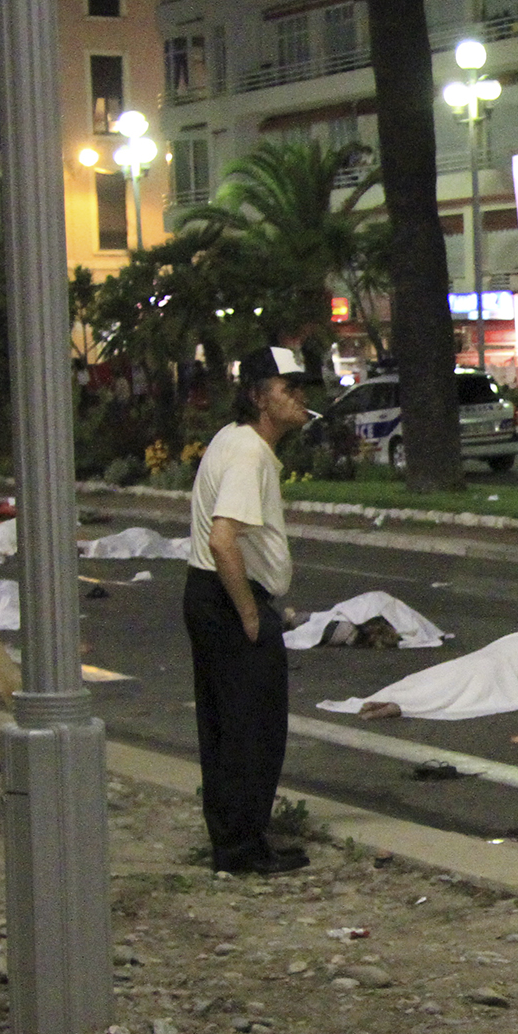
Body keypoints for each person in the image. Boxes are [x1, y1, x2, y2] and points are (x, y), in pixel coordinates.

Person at [184, 346, 314, 876]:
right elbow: (222, 541)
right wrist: (252, 615)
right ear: (259, 396)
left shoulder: (233, 442)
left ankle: (235, 840)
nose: (302, 397)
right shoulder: (249, 453)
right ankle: (242, 846)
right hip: (225, 598)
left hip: (210, 595)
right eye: (290, 388)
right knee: (253, 730)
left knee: (225, 727)